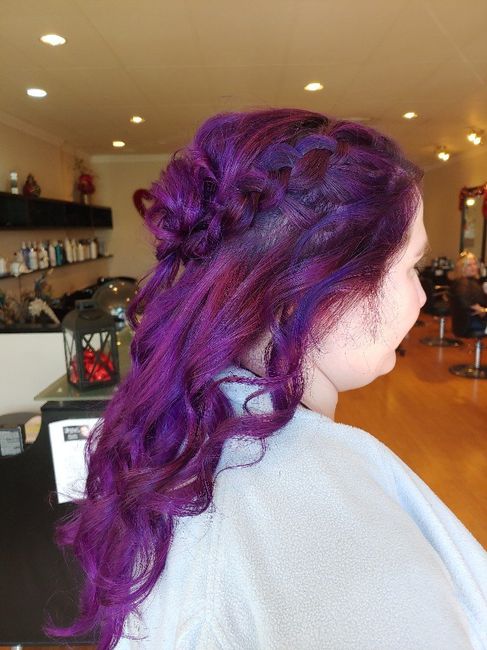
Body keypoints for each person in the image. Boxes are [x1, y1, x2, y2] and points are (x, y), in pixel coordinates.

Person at [49, 109, 487, 649]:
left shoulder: (188, 424)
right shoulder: (321, 525)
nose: (419, 297)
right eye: (409, 267)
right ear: (317, 292)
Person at [450, 251, 487, 335]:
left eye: (474, 264)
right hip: (471, 322)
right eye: (469, 265)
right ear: (462, 268)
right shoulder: (463, 283)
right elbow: (464, 300)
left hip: (469, 320)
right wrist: (482, 310)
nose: (474, 267)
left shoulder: (471, 281)